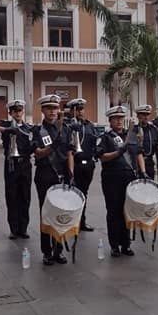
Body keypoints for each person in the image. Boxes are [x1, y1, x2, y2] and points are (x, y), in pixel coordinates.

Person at [32, 94, 75, 266]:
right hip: (45, 175)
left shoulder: (66, 129)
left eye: (55, 108)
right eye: (48, 108)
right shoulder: (37, 131)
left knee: (61, 213)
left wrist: (71, 174)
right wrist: (52, 147)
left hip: (62, 175)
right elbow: (37, 153)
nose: (52, 111)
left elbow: (70, 152)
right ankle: (47, 251)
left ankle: (59, 249)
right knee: (46, 213)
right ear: (42, 110)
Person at [0, 100, 33, 239]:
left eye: (20, 110)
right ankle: (14, 228)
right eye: (15, 111)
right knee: (12, 197)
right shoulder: (5, 124)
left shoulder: (28, 127)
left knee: (25, 197)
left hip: (25, 165)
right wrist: (5, 130)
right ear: (10, 113)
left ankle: (23, 228)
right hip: (11, 164)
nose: (18, 113)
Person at [96, 106, 136, 257]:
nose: (119, 121)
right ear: (110, 121)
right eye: (116, 119)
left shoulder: (129, 135)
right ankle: (114, 245)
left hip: (128, 176)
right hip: (112, 177)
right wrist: (118, 152)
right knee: (114, 212)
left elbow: (135, 154)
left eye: (121, 118)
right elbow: (102, 156)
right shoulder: (105, 137)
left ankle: (126, 243)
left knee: (127, 211)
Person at [67, 98, 96, 232]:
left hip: (88, 164)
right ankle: (72, 222)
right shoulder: (68, 126)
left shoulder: (89, 125)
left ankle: (82, 221)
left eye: (81, 109)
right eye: (77, 109)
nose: (80, 112)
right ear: (72, 111)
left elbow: (94, 142)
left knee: (84, 193)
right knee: (73, 194)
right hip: (75, 163)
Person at [133, 105, 158, 179]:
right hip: (137, 163)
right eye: (143, 114)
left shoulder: (153, 129)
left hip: (149, 162)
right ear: (138, 116)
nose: (146, 117)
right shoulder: (133, 130)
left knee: (150, 186)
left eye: (147, 114)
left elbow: (156, 143)